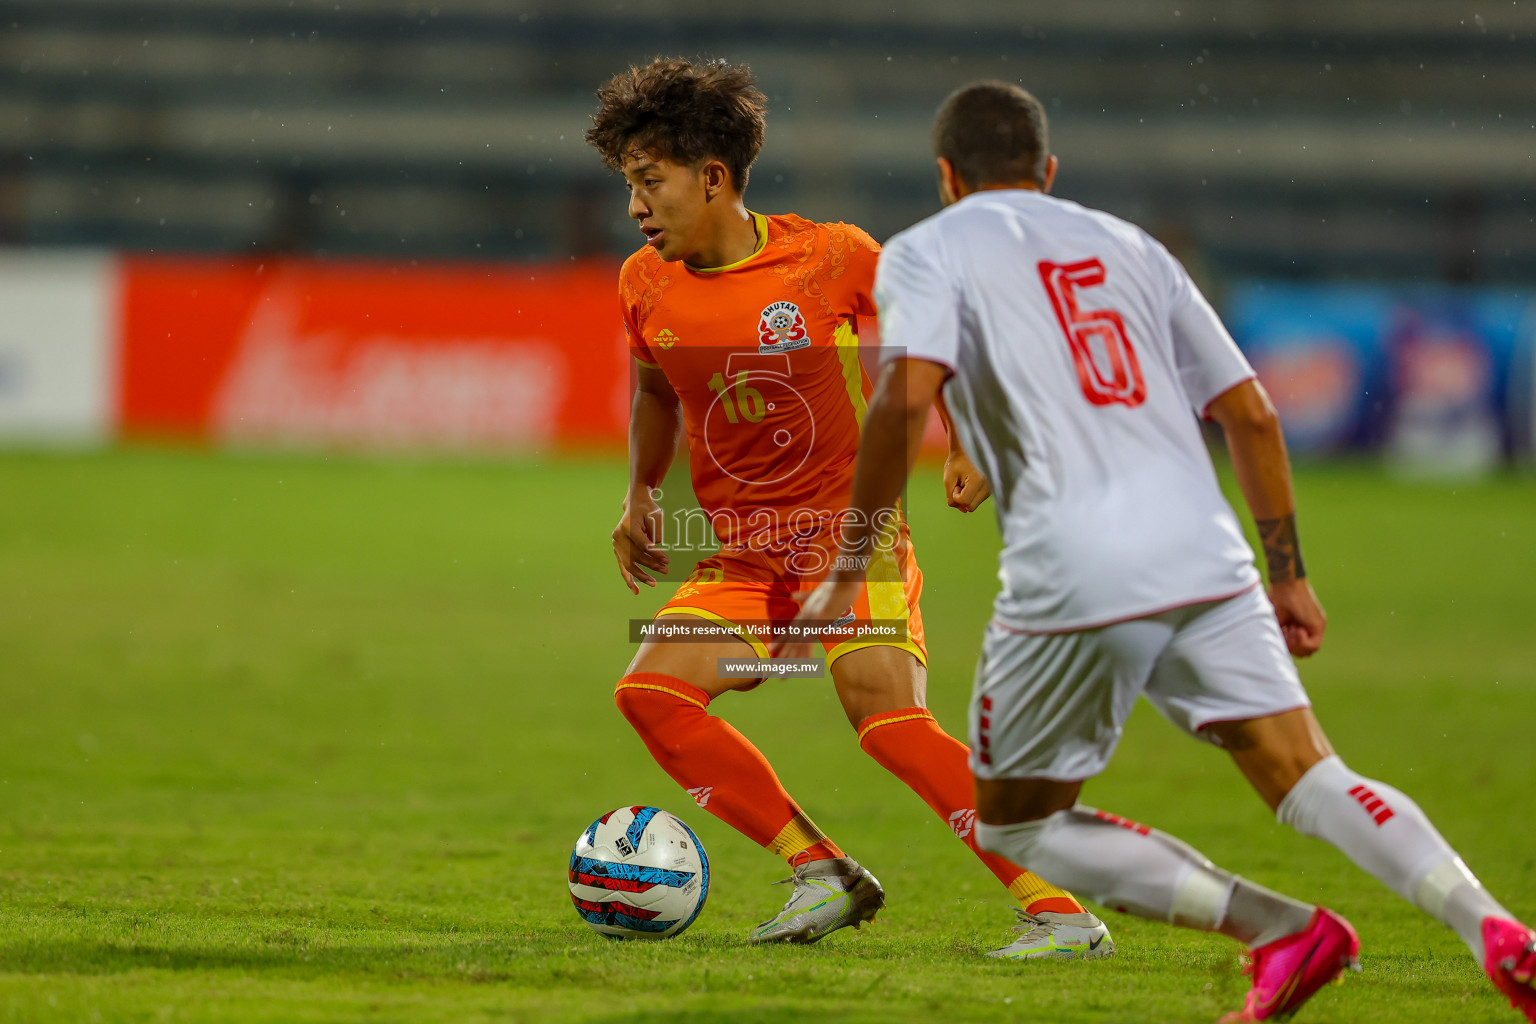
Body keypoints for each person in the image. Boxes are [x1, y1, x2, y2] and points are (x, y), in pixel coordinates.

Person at [787, 80, 1535, 1021]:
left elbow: (899, 401)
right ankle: (1493, 927)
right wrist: (1289, 576)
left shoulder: (926, 251)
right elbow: (1253, 416)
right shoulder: (1131, 245)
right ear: (1049, 172)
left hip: (1074, 566)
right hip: (1206, 550)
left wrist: (851, 563)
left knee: (1022, 823)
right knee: (1309, 775)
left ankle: (1279, 927)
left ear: (946, 176)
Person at [583, 57, 1115, 957]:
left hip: (849, 542)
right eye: (629, 185)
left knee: (890, 725)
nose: (636, 206)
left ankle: (1062, 912)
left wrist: (972, 436)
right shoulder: (644, 282)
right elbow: (655, 395)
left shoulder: (833, 257)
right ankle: (821, 871)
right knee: (652, 693)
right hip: (744, 558)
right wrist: (639, 492)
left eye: (649, 182)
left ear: (711, 177)